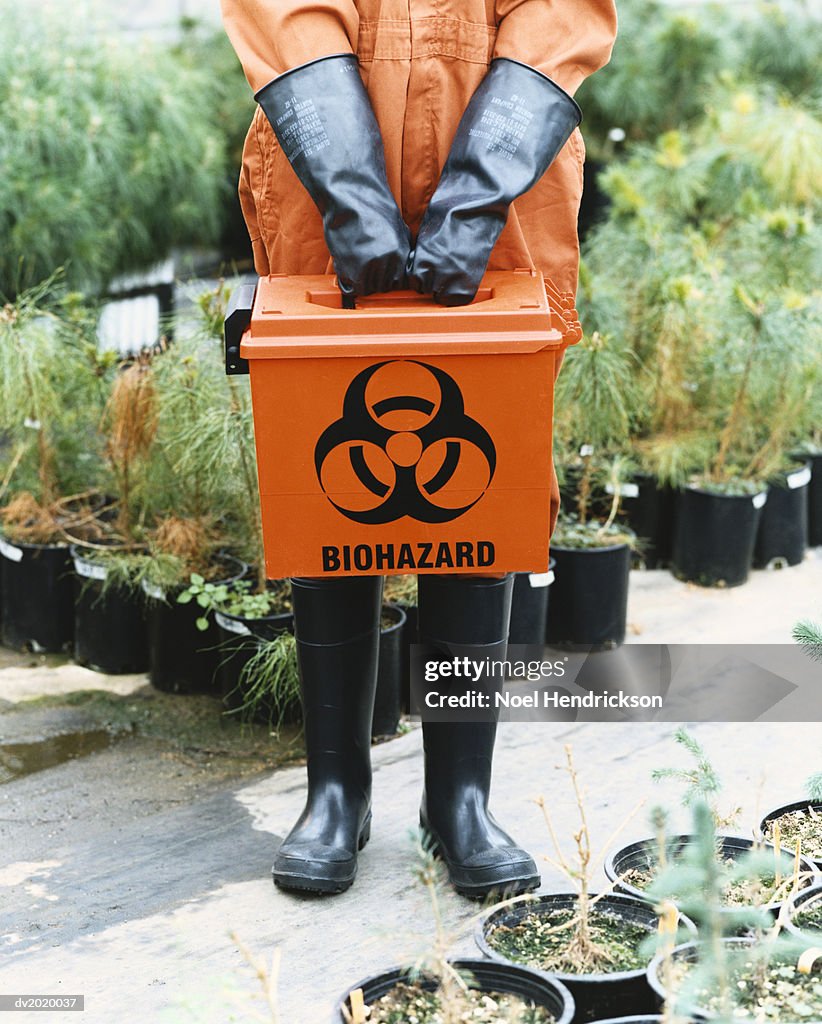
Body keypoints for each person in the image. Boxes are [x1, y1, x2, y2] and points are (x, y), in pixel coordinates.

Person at [221, 0, 617, 898]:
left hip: (504, 155)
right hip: (321, 149)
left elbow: (558, 14)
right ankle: (336, 792)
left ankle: (460, 799)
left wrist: (482, 185)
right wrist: (348, 188)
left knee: (480, 477)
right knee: (330, 471)